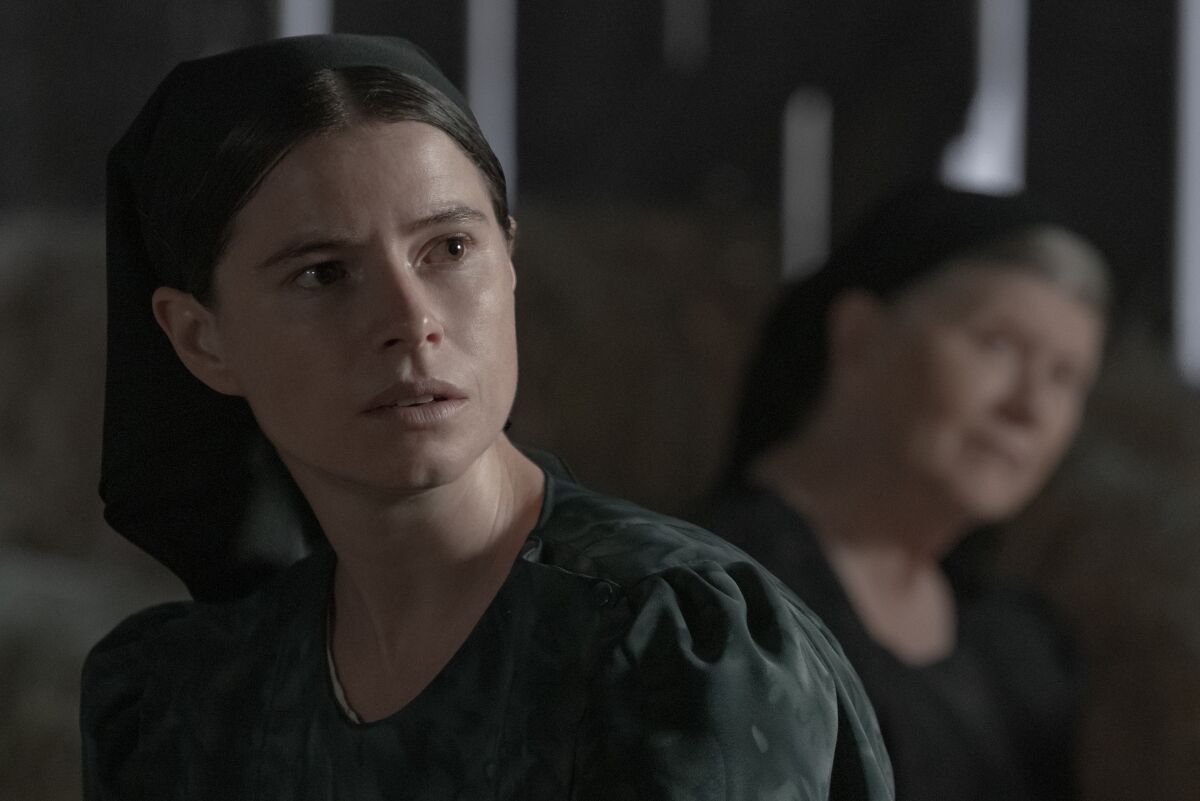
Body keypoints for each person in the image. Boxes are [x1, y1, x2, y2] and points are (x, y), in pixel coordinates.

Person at [82, 34, 893, 799]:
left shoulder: (669, 648)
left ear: (508, 260)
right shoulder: (187, 699)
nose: (412, 318)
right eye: (324, 273)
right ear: (202, 339)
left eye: (451, 249)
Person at [703, 183, 1108, 801]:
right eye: (998, 344)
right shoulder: (715, 604)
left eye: (1065, 377)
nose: (1030, 407)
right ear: (858, 337)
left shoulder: (1024, 654)